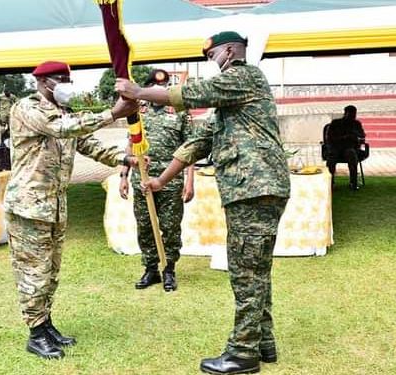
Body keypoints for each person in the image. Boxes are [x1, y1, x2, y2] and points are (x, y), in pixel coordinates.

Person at [116, 31, 291, 374]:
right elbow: (198, 141)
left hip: (254, 190)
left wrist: (138, 92)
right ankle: (262, 342)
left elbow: (192, 93)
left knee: (246, 273)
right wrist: (161, 180)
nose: (213, 63)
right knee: (256, 270)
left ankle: (243, 354)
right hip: (251, 190)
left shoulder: (244, 76)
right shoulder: (231, 104)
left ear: (229, 51)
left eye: (212, 56)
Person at [4, 60, 139, 360]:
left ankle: (46, 323)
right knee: (33, 271)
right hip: (29, 207)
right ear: (41, 82)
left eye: (67, 78)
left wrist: (123, 159)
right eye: (58, 79)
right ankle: (35, 334)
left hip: (54, 205)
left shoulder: (66, 112)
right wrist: (113, 113)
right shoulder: (27, 109)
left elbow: (89, 144)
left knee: (51, 272)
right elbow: (62, 130)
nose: (64, 83)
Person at [118, 69, 195, 292]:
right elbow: (130, 145)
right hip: (142, 179)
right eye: (154, 85)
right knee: (144, 225)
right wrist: (123, 176)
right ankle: (151, 268)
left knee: (170, 227)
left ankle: (168, 269)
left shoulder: (179, 111)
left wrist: (190, 181)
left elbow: (189, 148)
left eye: (163, 86)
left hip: (170, 180)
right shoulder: (138, 111)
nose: (159, 89)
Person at [325, 105, 366, 190]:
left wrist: (356, 135)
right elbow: (329, 138)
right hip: (336, 147)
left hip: (349, 147)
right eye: (351, 114)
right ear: (346, 113)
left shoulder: (356, 124)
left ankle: (353, 182)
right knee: (332, 157)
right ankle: (330, 183)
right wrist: (345, 137)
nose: (353, 116)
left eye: (354, 114)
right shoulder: (336, 123)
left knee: (351, 154)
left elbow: (362, 135)